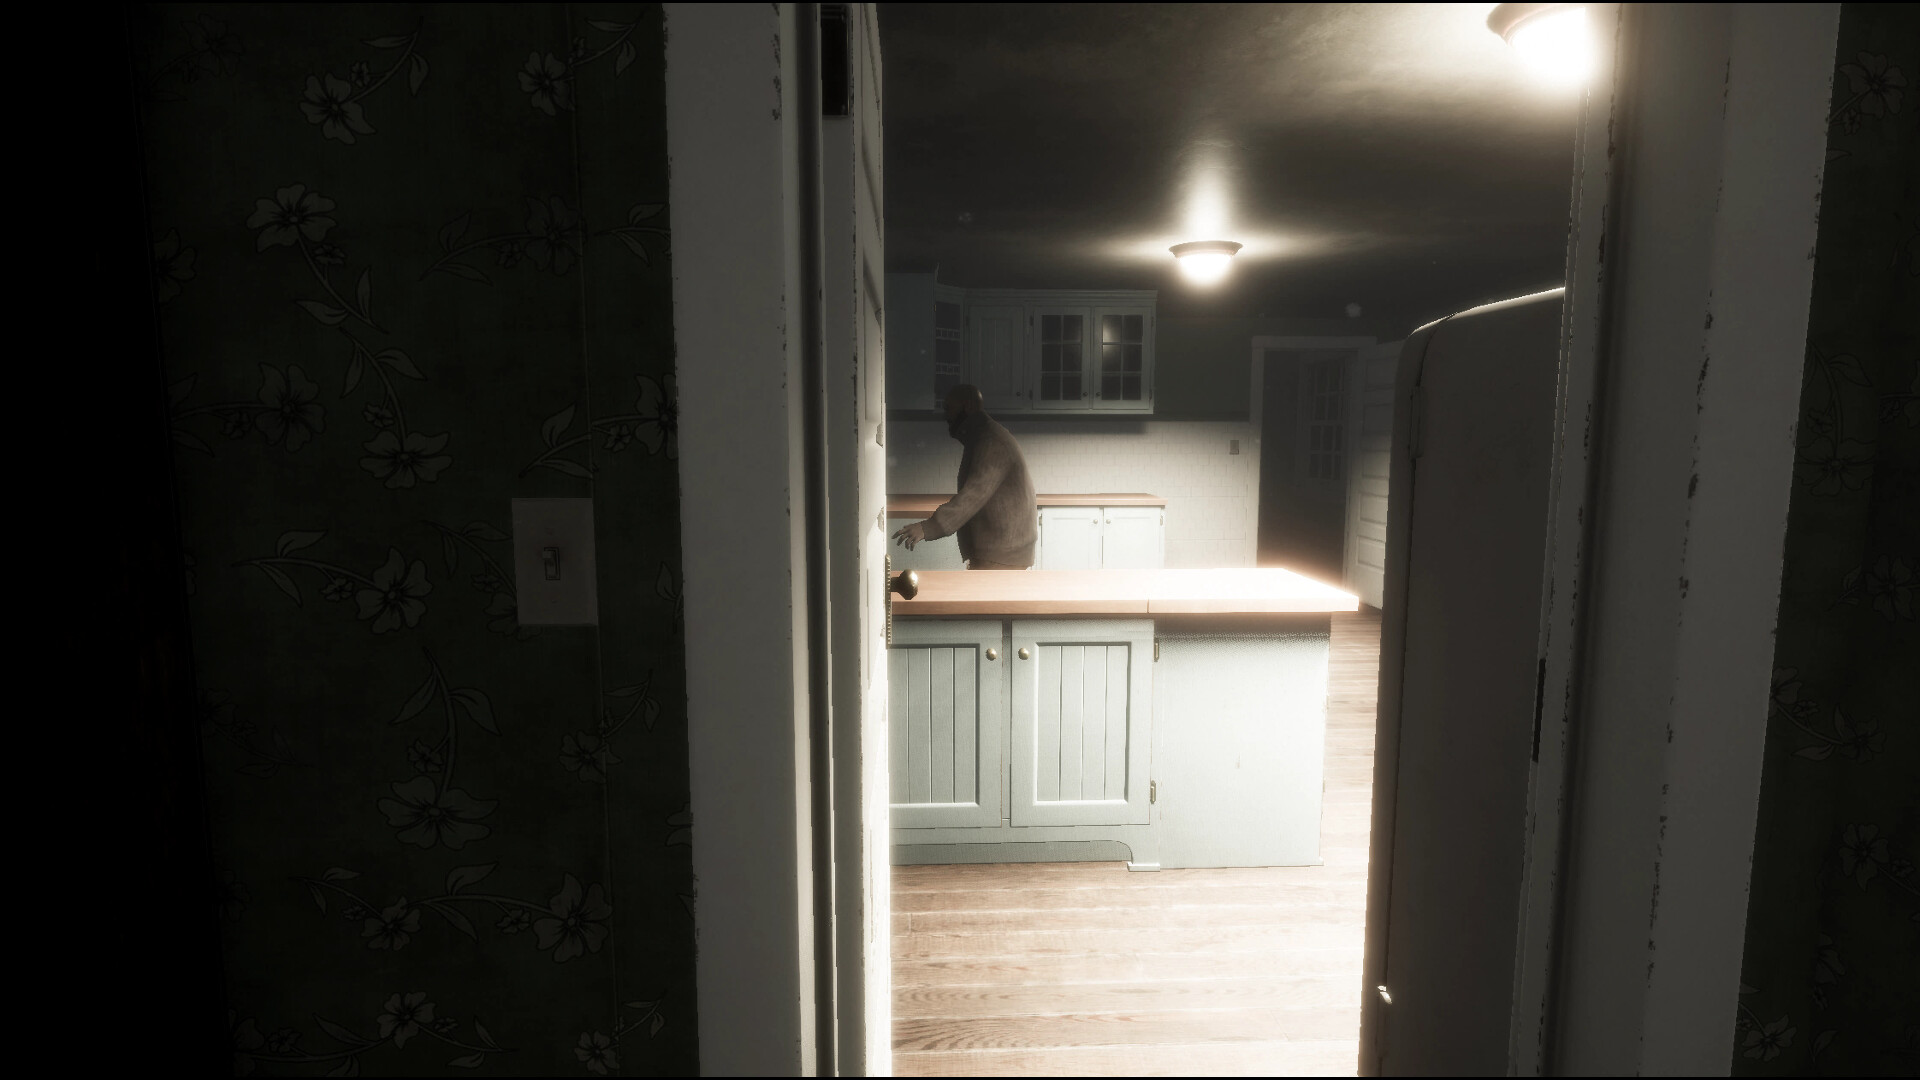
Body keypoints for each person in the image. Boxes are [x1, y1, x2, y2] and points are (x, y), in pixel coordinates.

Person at [892, 384, 1038, 570]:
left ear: (967, 406)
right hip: (1001, 550)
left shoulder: (992, 441)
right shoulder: (983, 436)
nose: (946, 416)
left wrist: (928, 527)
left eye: (949, 409)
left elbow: (972, 496)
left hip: (1002, 552)